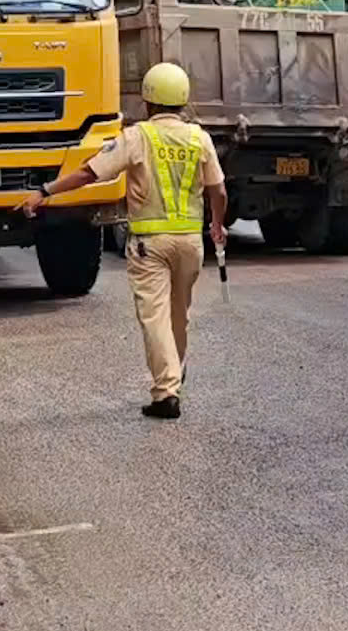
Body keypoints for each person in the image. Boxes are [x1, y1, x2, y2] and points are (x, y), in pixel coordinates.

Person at [19, 62, 226, 420]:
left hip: (150, 243)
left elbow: (89, 172)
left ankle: (166, 392)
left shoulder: (137, 136)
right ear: (182, 100)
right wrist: (218, 225)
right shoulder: (199, 138)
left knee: (155, 316)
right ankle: (174, 369)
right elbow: (218, 189)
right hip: (190, 242)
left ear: (148, 102)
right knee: (180, 313)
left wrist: (45, 191)